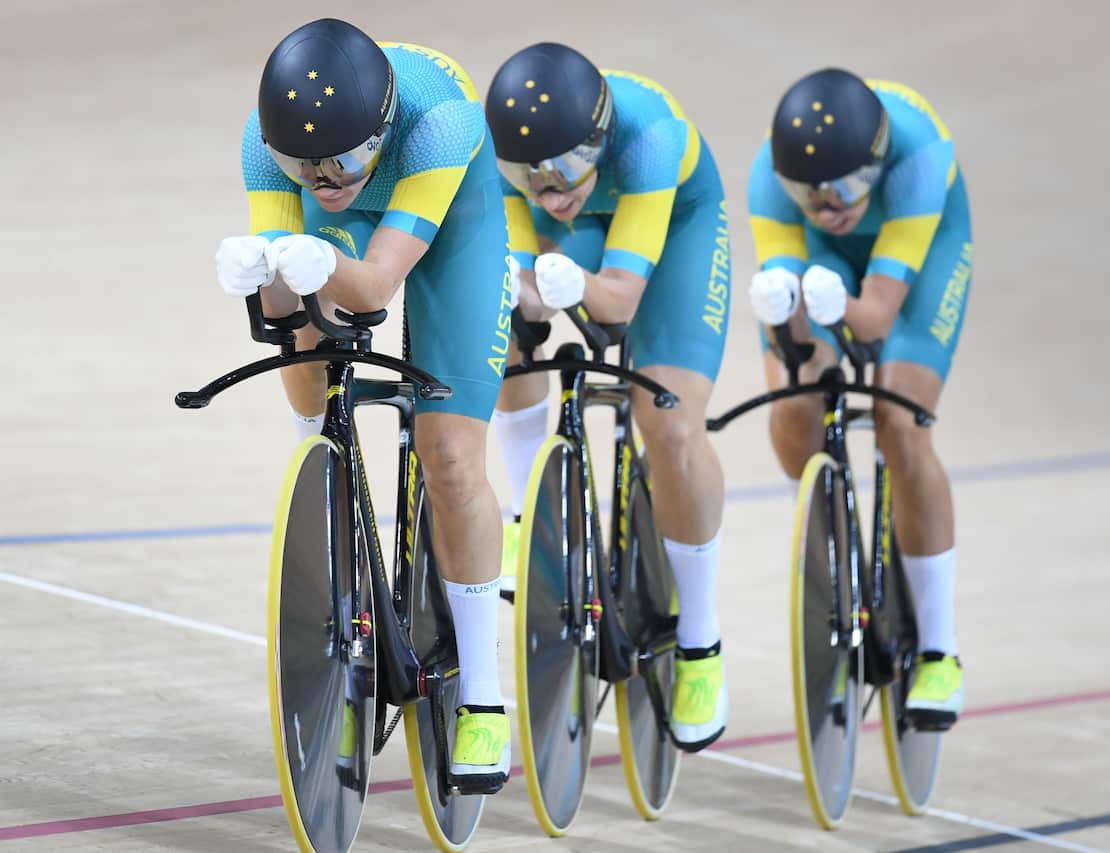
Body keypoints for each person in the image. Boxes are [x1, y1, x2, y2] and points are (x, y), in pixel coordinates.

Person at [213, 18, 513, 783]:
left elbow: (374, 287)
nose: (324, 180)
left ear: (378, 131)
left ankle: (484, 696)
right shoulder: (268, 143)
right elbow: (283, 317)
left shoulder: (440, 125)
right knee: (305, 341)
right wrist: (264, 270)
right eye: (302, 167)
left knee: (451, 457)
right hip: (353, 219)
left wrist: (313, 258)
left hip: (455, 219)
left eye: (342, 162)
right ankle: (322, 466)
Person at [484, 42, 731, 751]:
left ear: (597, 142)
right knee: (505, 325)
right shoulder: (515, 161)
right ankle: (528, 511)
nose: (548, 190)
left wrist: (575, 284)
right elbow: (521, 277)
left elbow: (617, 304)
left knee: (670, 423)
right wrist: (526, 289)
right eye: (528, 177)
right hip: (582, 235)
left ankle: (702, 640)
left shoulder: (652, 138)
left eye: (563, 170)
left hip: (674, 231)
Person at [747, 68, 972, 729]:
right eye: (809, 196)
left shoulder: (919, 158)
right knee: (795, 398)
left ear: (875, 164)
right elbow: (793, 337)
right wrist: (786, 314)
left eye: (845, 189)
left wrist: (839, 306)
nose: (828, 207)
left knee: (901, 421)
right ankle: (826, 528)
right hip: (824, 264)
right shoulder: (769, 176)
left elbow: (873, 319)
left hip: (917, 262)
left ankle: (939, 650)